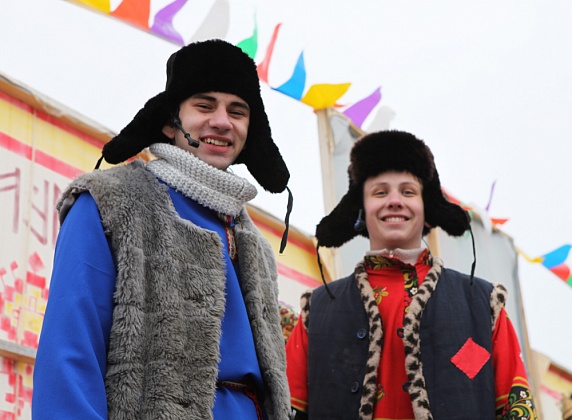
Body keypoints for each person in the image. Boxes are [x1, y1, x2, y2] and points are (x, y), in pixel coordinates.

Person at [32, 39, 293, 419]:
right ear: (171, 123)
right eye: (204, 105)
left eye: (237, 111)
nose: (222, 121)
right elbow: (69, 352)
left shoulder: (255, 243)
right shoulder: (109, 202)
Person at [285, 130, 537, 419]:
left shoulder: (484, 305)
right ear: (361, 209)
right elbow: (287, 411)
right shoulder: (317, 312)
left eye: (408, 191)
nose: (394, 201)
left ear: (427, 207)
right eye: (380, 192)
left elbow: (517, 411)